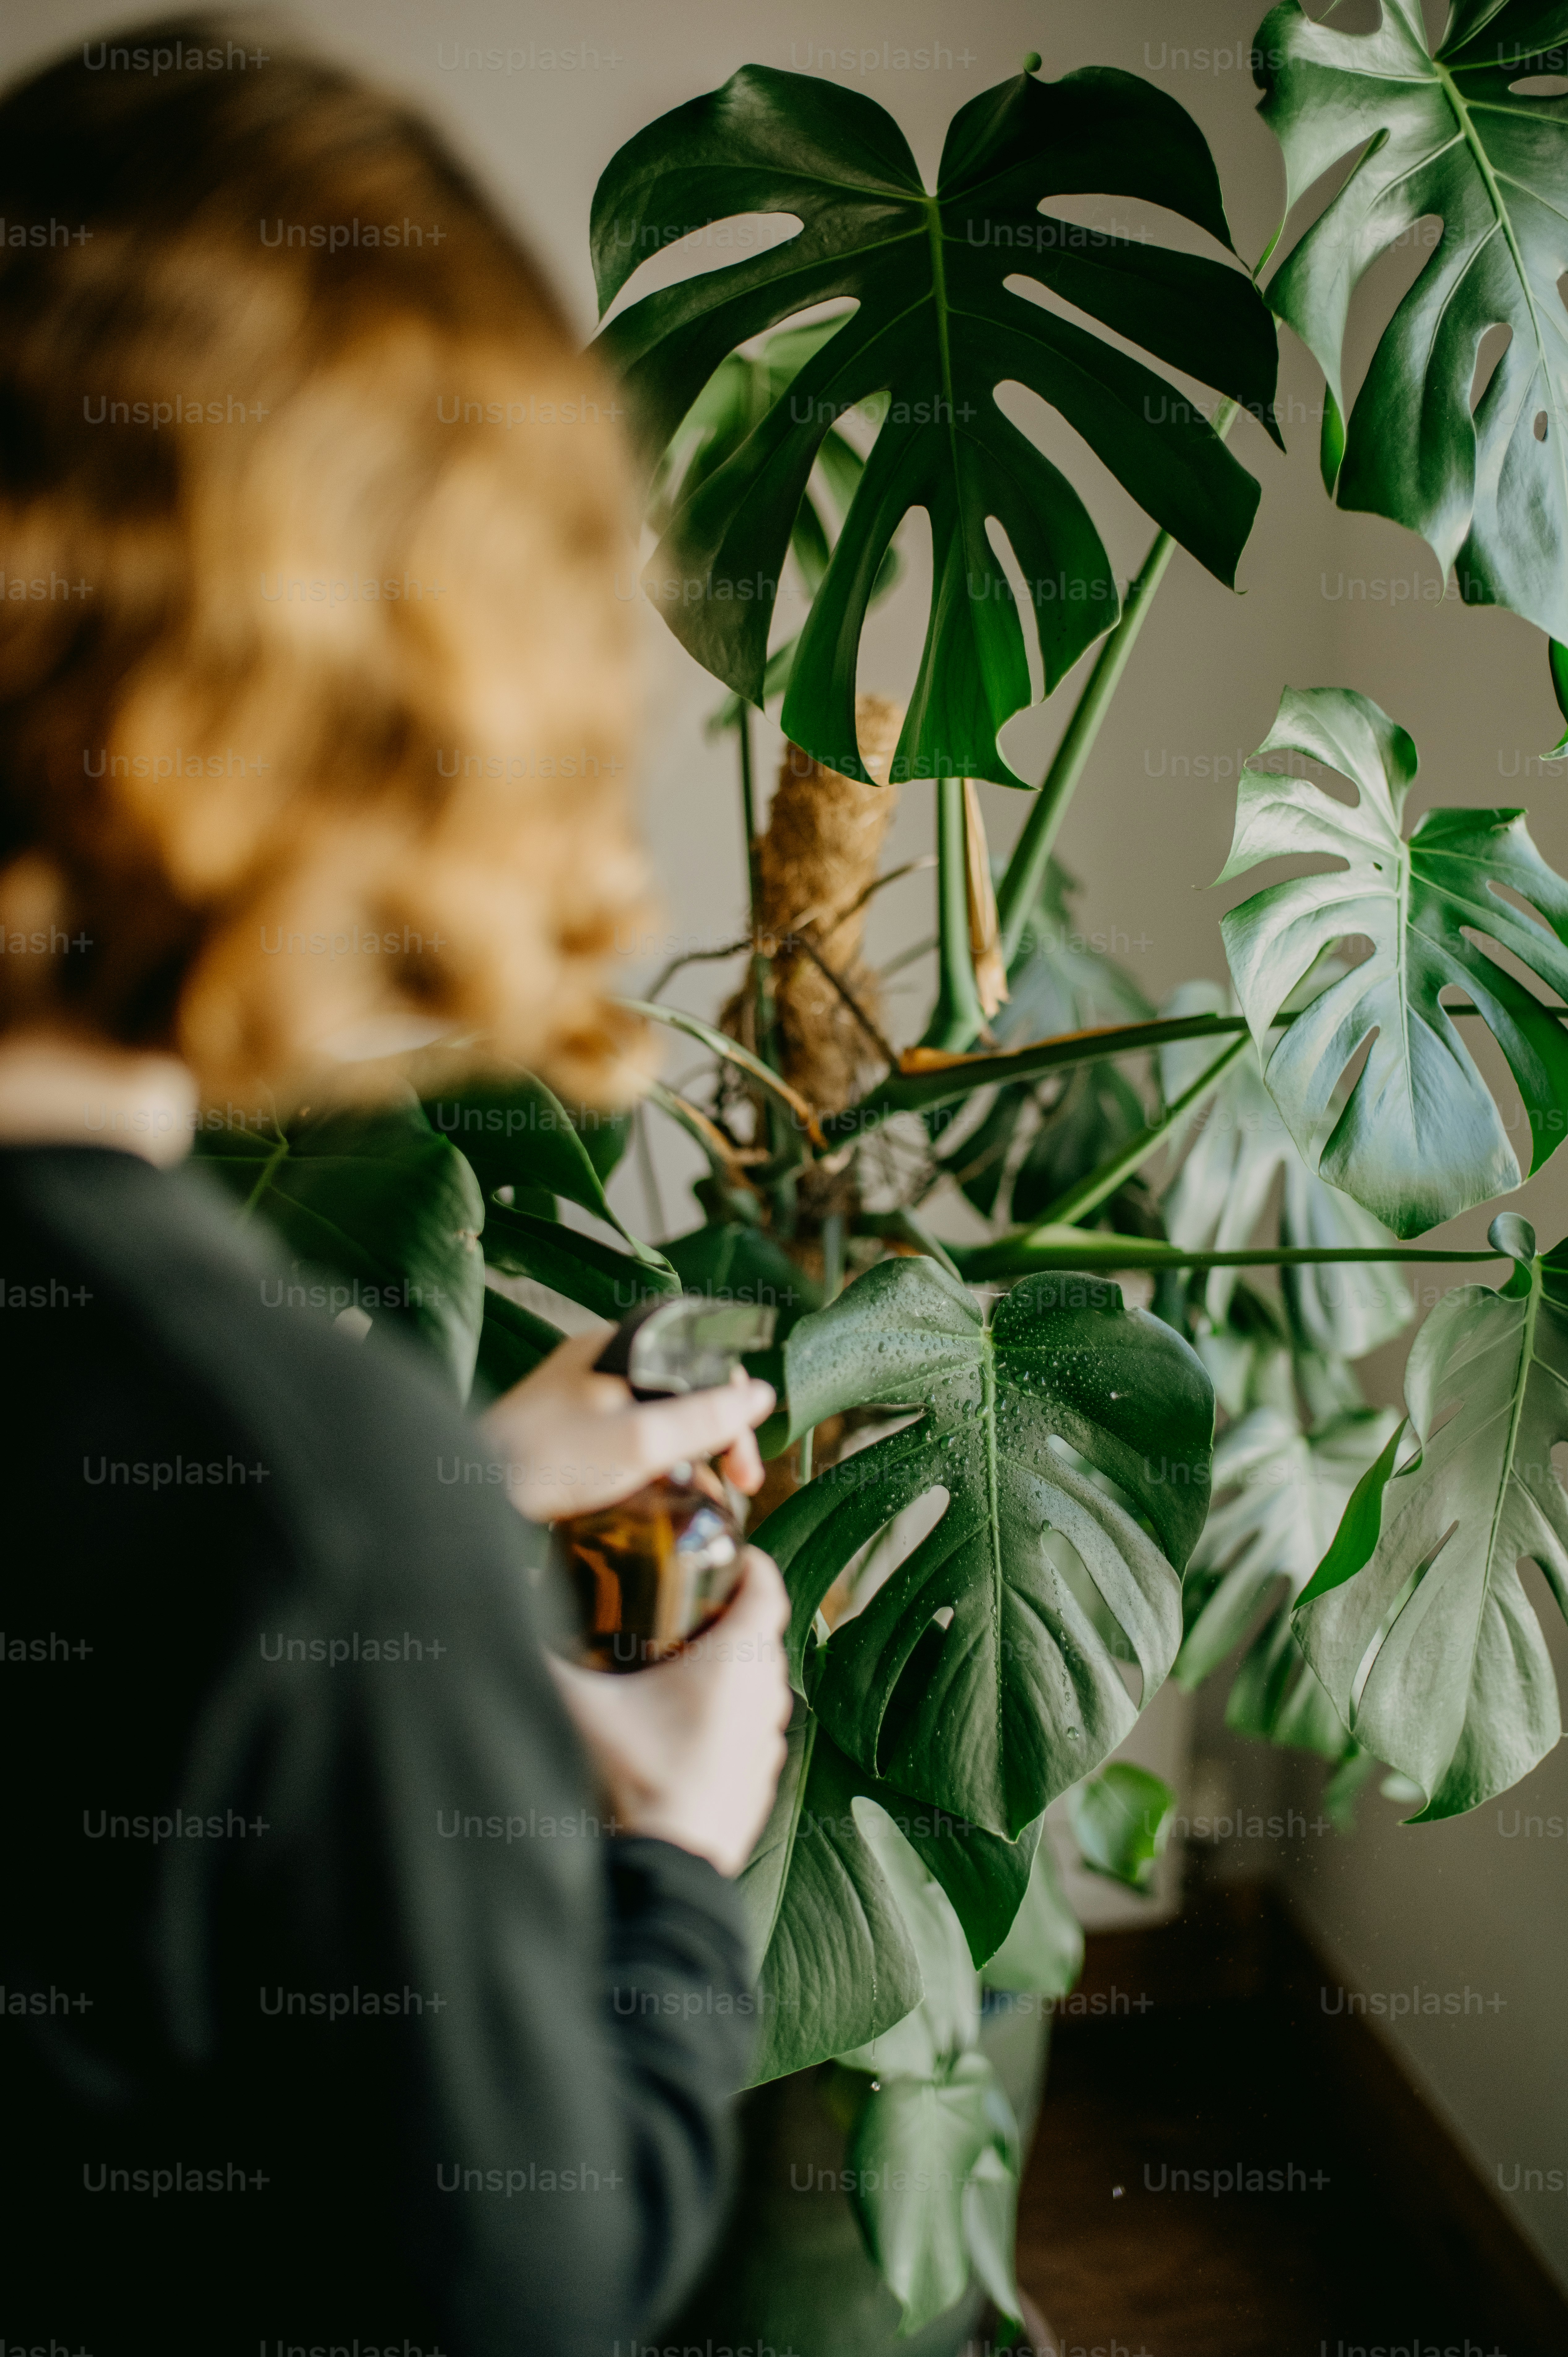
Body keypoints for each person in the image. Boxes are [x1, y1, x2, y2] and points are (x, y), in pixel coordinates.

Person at [0, 19, 792, 2356]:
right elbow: (520, 2291)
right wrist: (672, 1863)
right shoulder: (301, 1509)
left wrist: (440, 1495)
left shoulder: (283, 1499)